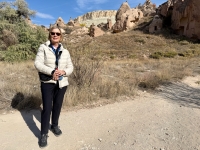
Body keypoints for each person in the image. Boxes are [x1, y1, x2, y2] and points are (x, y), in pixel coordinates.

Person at [34, 26, 73, 148]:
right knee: (47, 108)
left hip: (62, 83)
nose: (55, 35)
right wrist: (52, 71)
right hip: (47, 82)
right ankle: (44, 134)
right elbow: (38, 64)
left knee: (57, 106)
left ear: (61, 37)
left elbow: (70, 67)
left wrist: (64, 72)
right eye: (53, 33)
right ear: (49, 35)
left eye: (58, 34)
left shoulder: (65, 51)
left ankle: (55, 125)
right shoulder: (43, 47)